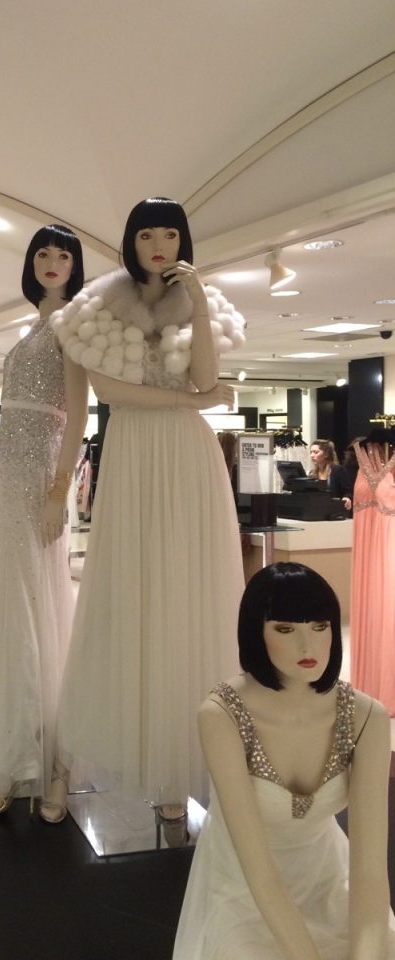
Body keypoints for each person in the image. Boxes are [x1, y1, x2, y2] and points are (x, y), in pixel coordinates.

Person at [49, 197, 246, 833]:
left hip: (189, 461)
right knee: (132, 595)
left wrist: (201, 303)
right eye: (146, 234)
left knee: (189, 597)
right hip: (135, 454)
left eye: (170, 234)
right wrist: (194, 402)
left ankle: (179, 768)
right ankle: (117, 758)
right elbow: (111, 392)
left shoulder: (197, 301)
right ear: (130, 242)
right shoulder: (98, 306)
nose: (159, 245)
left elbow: (207, 377)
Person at [173, 562, 395, 959]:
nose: (308, 647)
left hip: (330, 881)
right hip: (244, 889)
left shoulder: (366, 718)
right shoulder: (222, 716)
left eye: (320, 626)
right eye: (286, 630)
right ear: (255, 633)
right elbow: (260, 876)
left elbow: (370, 872)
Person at [0, 224, 89, 816]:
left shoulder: (72, 324)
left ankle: (29, 763)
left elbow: (78, 413)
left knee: (31, 607)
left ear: (75, 266)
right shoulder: (35, 325)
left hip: (39, 483)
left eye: (63, 255)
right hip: (13, 483)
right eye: (43, 254)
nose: (52, 262)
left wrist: (59, 488)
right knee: (11, 606)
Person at [350, 433, 395, 715]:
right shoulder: (361, 456)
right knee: (376, 609)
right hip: (370, 550)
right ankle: (372, 685)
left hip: (389, 548)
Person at [308, 438, 352, 509]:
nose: (312, 455)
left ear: (326, 454)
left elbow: (347, 491)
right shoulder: (312, 473)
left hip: (334, 509)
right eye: (311, 452)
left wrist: (347, 498)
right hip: (317, 509)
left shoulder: (338, 470)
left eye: (316, 452)